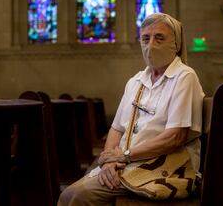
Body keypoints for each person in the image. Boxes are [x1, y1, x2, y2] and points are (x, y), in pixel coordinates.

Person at [58, 13, 204, 206]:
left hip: (164, 165)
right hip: (128, 163)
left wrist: (124, 156)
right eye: (146, 38)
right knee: (69, 194)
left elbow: (175, 137)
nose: (151, 44)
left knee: (74, 196)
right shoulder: (135, 81)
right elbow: (116, 128)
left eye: (159, 37)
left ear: (176, 44)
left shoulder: (184, 77)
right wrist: (109, 161)